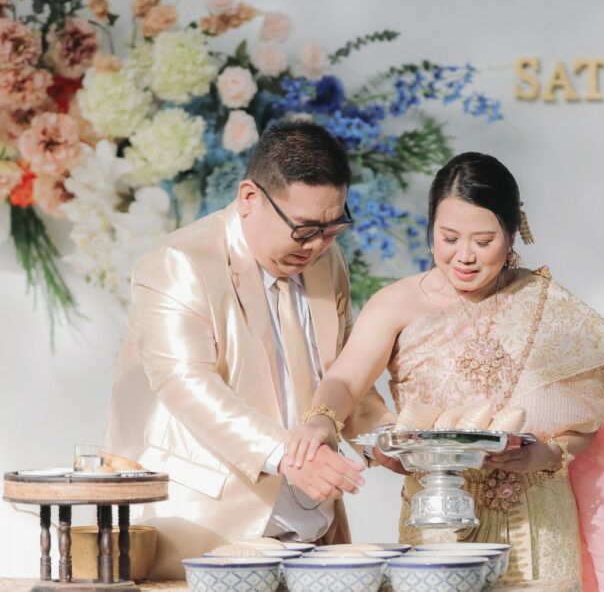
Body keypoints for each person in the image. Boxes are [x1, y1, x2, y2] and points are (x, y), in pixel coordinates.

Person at [284, 152, 604, 590]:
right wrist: (320, 419)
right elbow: (346, 379)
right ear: (431, 229)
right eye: (449, 238)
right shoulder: (396, 304)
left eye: (484, 240)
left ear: (513, 234)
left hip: (538, 526)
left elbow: (584, 423)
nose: (465, 256)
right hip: (438, 520)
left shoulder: (545, 306)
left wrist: (545, 455)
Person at [103, 120, 395, 579]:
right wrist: (289, 456)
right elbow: (186, 383)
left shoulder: (326, 260)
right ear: (249, 198)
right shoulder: (178, 263)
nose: (316, 246)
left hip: (313, 527)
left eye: (333, 227)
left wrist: (390, 441)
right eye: (304, 229)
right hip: (204, 528)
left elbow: (343, 367)